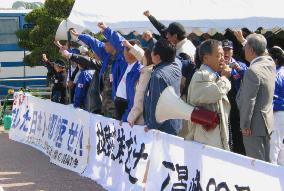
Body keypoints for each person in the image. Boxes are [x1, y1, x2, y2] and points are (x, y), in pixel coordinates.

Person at [70, 23, 128, 118]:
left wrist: (106, 29)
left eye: (106, 42)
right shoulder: (107, 56)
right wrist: (80, 36)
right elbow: (94, 43)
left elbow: (120, 42)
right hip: (105, 102)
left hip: (117, 102)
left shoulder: (122, 58)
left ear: (113, 44)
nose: (104, 45)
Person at [236, 33, 276, 162]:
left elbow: (249, 100)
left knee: (256, 165)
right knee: (265, 162)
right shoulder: (270, 63)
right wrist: (244, 41)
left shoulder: (253, 70)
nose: (244, 49)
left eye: (245, 46)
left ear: (251, 50)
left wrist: (244, 125)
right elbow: (264, 53)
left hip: (253, 126)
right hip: (266, 122)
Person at [185, 39, 231, 150]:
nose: (222, 59)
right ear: (206, 58)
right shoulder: (200, 75)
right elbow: (216, 92)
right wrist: (225, 78)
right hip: (205, 137)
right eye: (218, 55)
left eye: (223, 55)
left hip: (213, 135)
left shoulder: (213, 75)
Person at [144, 38, 182, 135]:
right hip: (175, 122)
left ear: (157, 57)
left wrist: (152, 124)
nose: (151, 53)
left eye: (152, 51)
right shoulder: (176, 65)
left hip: (163, 128)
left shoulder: (158, 75)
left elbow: (156, 102)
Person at [222, 39, 248, 155]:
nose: (226, 52)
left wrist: (240, 70)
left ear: (232, 51)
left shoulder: (240, 64)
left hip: (237, 105)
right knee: (225, 130)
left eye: (228, 50)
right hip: (223, 102)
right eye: (224, 49)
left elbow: (250, 76)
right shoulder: (217, 65)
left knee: (238, 132)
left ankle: (239, 154)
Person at [122, 40, 154, 126]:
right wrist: (130, 47)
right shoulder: (153, 68)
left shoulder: (146, 73)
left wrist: (130, 118)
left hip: (140, 120)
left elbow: (140, 98)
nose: (140, 58)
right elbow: (141, 55)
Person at [269, 46, 284, 165]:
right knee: (280, 143)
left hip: (278, 112)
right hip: (280, 112)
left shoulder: (277, 74)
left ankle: (272, 169)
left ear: (275, 60)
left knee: (274, 143)